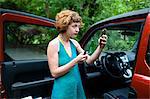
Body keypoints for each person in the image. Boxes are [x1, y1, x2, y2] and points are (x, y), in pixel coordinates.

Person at [47, 10, 107, 99]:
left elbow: (89, 60)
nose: (77, 30)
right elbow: (54, 73)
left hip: (77, 87)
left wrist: (100, 47)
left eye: (78, 26)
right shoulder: (54, 44)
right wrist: (75, 61)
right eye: (74, 26)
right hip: (62, 91)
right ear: (65, 25)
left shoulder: (74, 43)